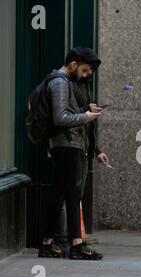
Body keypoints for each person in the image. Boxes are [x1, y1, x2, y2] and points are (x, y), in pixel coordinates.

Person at [38, 47, 105, 260]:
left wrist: (85, 110)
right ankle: (74, 245)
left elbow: (65, 113)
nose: (86, 75)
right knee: (70, 195)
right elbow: (60, 118)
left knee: (63, 194)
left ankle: (50, 244)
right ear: (73, 64)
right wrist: (85, 116)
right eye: (85, 70)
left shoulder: (64, 83)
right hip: (65, 145)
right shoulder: (59, 82)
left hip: (68, 144)